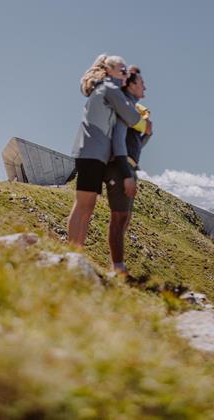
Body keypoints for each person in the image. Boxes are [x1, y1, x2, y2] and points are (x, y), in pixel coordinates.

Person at [68, 54, 152, 247]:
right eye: (122, 70)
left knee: (87, 207)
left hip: (92, 154)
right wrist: (145, 124)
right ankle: (72, 251)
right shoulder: (110, 88)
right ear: (109, 71)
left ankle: (76, 250)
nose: (125, 74)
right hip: (92, 154)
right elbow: (131, 117)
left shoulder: (103, 88)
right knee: (83, 206)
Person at [104, 66, 152, 274]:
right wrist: (125, 173)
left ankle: (117, 265)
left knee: (125, 218)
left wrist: (149, 130)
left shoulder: (135, 112)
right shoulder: (126, 110)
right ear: (131, 85)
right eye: (142, 83)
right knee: (118, 217)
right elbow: (119, 142)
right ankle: (117, 267)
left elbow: (138, 144)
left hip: (129, 166)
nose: (145, 87)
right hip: (119, 167)